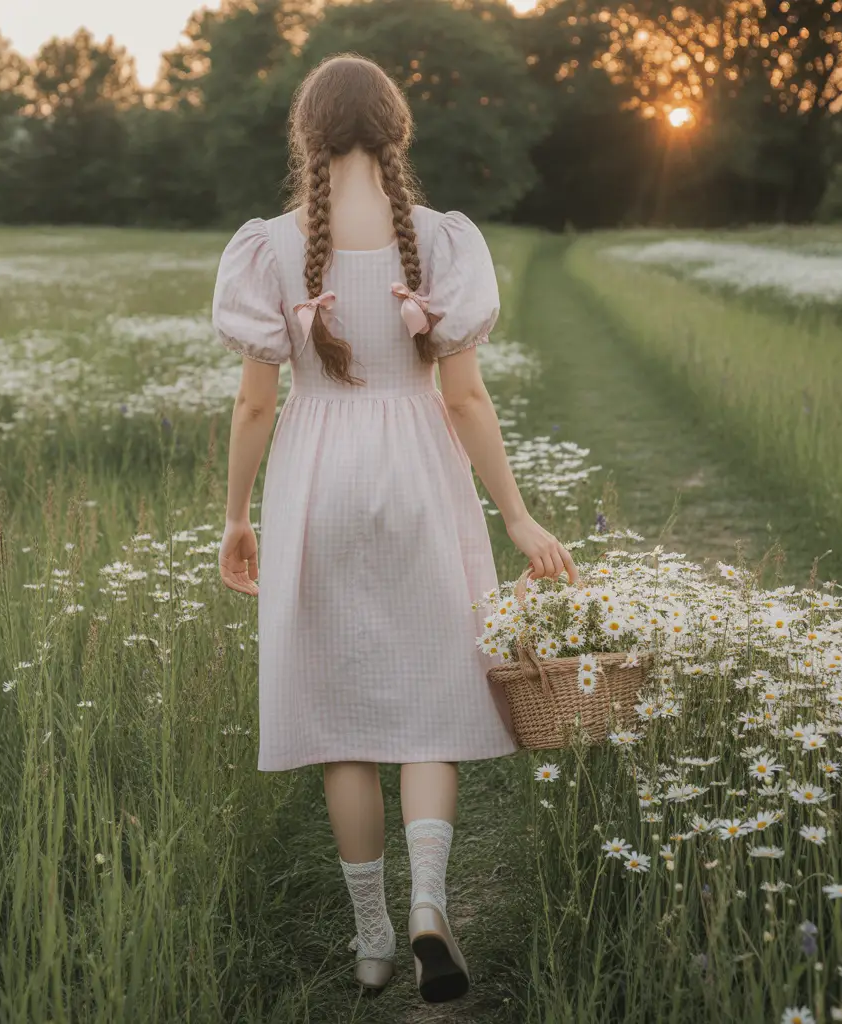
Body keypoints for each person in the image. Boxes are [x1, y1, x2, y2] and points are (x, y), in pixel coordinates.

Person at [212, 53, 578, 1003]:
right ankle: (428, 905)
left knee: (342, 723)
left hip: (316, 477)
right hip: (419, 472)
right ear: (396, 131)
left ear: (307, 135)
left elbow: (255, 410)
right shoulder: (443, 242)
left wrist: (234, 517)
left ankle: (372, 941)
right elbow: (466, 399)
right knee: (431, 695)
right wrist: (520, 514)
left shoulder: (271, 246)